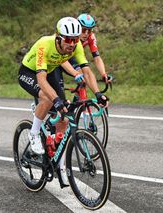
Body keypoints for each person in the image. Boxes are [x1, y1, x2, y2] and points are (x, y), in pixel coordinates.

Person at [18, 17, 109, 187]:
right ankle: (34, 132)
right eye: (68, 39)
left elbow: (87, 71)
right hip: (29, 73)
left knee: (64, 119)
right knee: (47, 98)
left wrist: (98, 94)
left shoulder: (77, 46)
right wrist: (56, 100)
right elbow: (42, 81)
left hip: (51, 70)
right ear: (58, 37)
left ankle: (60, 165)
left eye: (75, 40)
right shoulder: (45, 44)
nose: (72, 44)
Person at [77, 13, 111, 83]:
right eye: (83, 30)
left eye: (89, 30)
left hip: (75, 57)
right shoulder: (71, 36)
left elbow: (97, 58)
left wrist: (103, 74)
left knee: (85, 78)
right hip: (63, 58)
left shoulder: (91, 37)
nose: (86, 34)